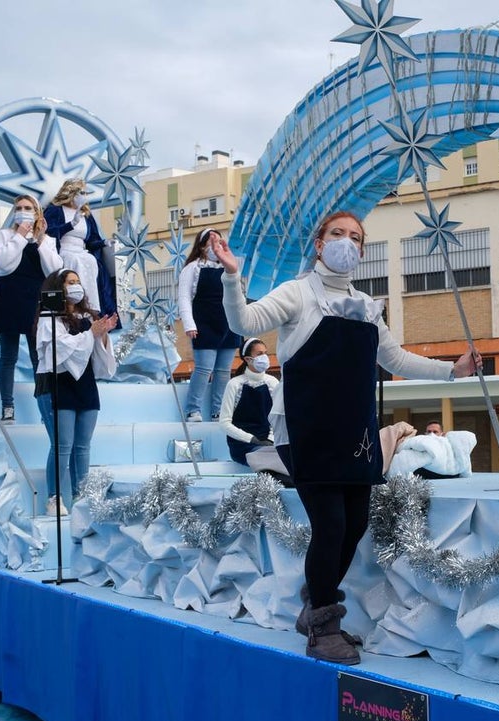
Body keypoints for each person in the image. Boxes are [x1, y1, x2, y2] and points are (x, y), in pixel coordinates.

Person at [216, 210, 480, 665]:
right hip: (306, 427)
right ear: (319, 244)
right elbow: (245, 322)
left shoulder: (367, 306)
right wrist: (232, 278)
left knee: (355, 525)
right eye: (337, 233)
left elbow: (395, 359)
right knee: (331, 524)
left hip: (353, 430)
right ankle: (323, 625)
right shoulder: (296, 292)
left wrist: (450, 371)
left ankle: (314, 604)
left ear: (361, 250)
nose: (346, 242)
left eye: (355, 237)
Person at [34, 269, 118, 514]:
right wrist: (90, 334)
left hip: (85, 385)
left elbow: (98, 357)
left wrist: (101, 336)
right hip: (57, 385)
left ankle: (82, 497)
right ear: (58, 287)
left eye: (78, 282)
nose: (76, 286)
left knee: (83, 446)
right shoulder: (49, 319)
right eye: (71, 282)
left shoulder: (87, 316)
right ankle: (54, 498)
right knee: (62, 445)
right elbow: (58, 352)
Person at [0, 195, 62, 422]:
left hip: (35, 302)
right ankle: (7, 407)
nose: (23, 211)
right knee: (8, 356)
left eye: (28, 208)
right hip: (8, 300)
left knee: (37, 356)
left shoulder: (47, 240)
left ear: (37, 212)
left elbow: (54, 269)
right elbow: (4, 263)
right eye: (19, 208)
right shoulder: (6, 235)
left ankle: (44, 404)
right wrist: (20, 235)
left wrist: (39, 240)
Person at [178, 228, 242, 422]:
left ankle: (217, 411)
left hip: (228, 323)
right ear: (202, 244)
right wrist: (189, 324)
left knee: (223, 371)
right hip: (204, 323)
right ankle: (193, 410)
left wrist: (242, 322)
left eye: (219, 242)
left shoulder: (229, 267)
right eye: (211, 242)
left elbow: (239, 294)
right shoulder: (193, 267)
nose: (216, 246)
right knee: (204, 368)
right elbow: (184, 298)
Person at [44, 179, 119, 321]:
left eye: (85, 193)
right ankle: (74, 306)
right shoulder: (55, 210)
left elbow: (91, 241)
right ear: (71, 192)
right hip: (64, 250)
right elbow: (48, 232)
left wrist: (104, 242)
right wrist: (70, 224)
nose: (84, 196)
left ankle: (91, 307)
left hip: (82, 250)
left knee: (90, 260)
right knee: (75, 261)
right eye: (81, 192)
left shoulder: (86, 215)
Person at [219, 337, 279, 465]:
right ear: (247, 359)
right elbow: (224, 423)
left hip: (270, 443)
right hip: (242, 445)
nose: (264, 357)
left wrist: (270, 439)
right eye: (259, 354)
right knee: (269, 458)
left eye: (265, 353)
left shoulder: (272, 382)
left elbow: (277, 418)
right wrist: (251, 439)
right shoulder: (234, 384)